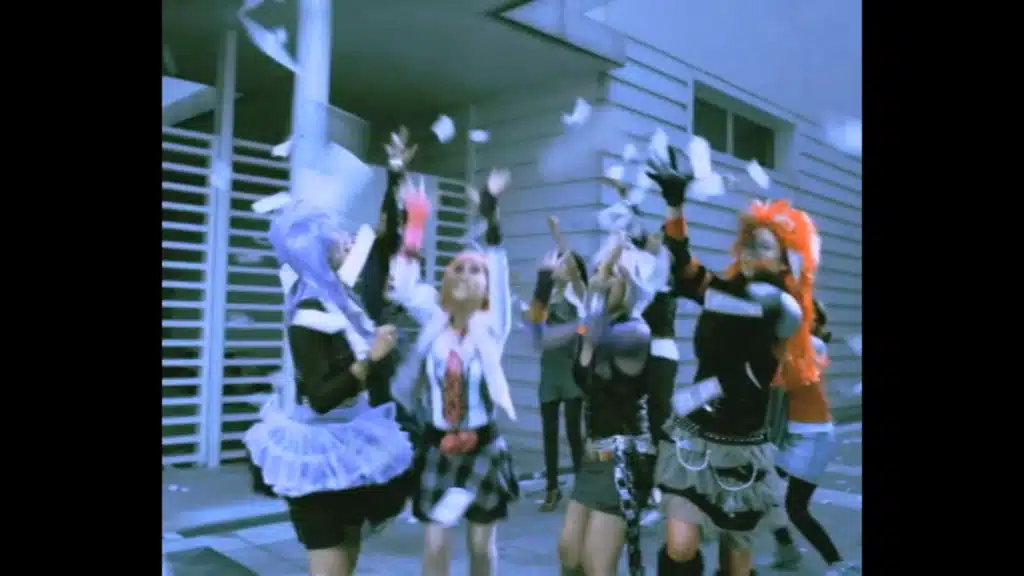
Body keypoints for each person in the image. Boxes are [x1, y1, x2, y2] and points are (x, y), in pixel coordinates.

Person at [648, 147, 821, 576]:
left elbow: (766, 321)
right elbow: (683, 269)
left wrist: (698, 391)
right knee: (681, 546)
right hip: (694, 438)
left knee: (736, 563)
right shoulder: (724, 290)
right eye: (746, 243)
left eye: (762, 247)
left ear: (785, 259)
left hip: (742, 444)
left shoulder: (782, 307)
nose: (748, 252)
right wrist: (675, 206)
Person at [243, 196, 415, 576]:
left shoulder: (338, 299)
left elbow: (378, 247)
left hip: (348, 446)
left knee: (348, 554)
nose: (345, 238)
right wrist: (370, 360)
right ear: (316, 249)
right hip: (316, 455)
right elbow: (320, 398)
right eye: (335, 235)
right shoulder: (309, 312)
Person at [388, 168, 519, 576]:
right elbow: (404, 286)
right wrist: (415, 222)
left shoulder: (493, 325)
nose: (464, 274)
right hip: (438, 444)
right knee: (434, 544)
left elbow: (499, 268)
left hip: (483, 446)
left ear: (486, 284)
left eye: (474, 270)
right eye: (457, 269)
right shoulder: (434, 317)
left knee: (481, 546)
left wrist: (491, 213)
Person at [529, 233, 657, 576]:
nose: (603, 278)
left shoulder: (635, 331)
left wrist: (594, 288)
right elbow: (539, 337)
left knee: (597, 563)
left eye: (613, 273)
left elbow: (595, 333)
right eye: (601, 271)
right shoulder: (594, 324)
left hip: (625, 460)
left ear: (632, 284)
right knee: (569, 552)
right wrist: (543, 283)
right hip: (594, 457)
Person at [768, 300, 859, 574]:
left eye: (809, 316)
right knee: (765, 488)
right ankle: (786, 550)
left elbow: (789, 380)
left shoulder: (814, 345)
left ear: (817, 322)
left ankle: (837, 564)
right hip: (795, 436)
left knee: (796, 508)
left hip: (813, 438)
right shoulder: (789, 344)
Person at [534, 248, 588, 512]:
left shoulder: (578, 295)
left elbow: (584, 328)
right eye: (559, 264)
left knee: (574, 433)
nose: (561, 268)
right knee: (549, 434)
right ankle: (552, 488)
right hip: (549, 370)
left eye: (566, 264)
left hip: (571, 369)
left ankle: (582, 488)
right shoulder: (546, 296)